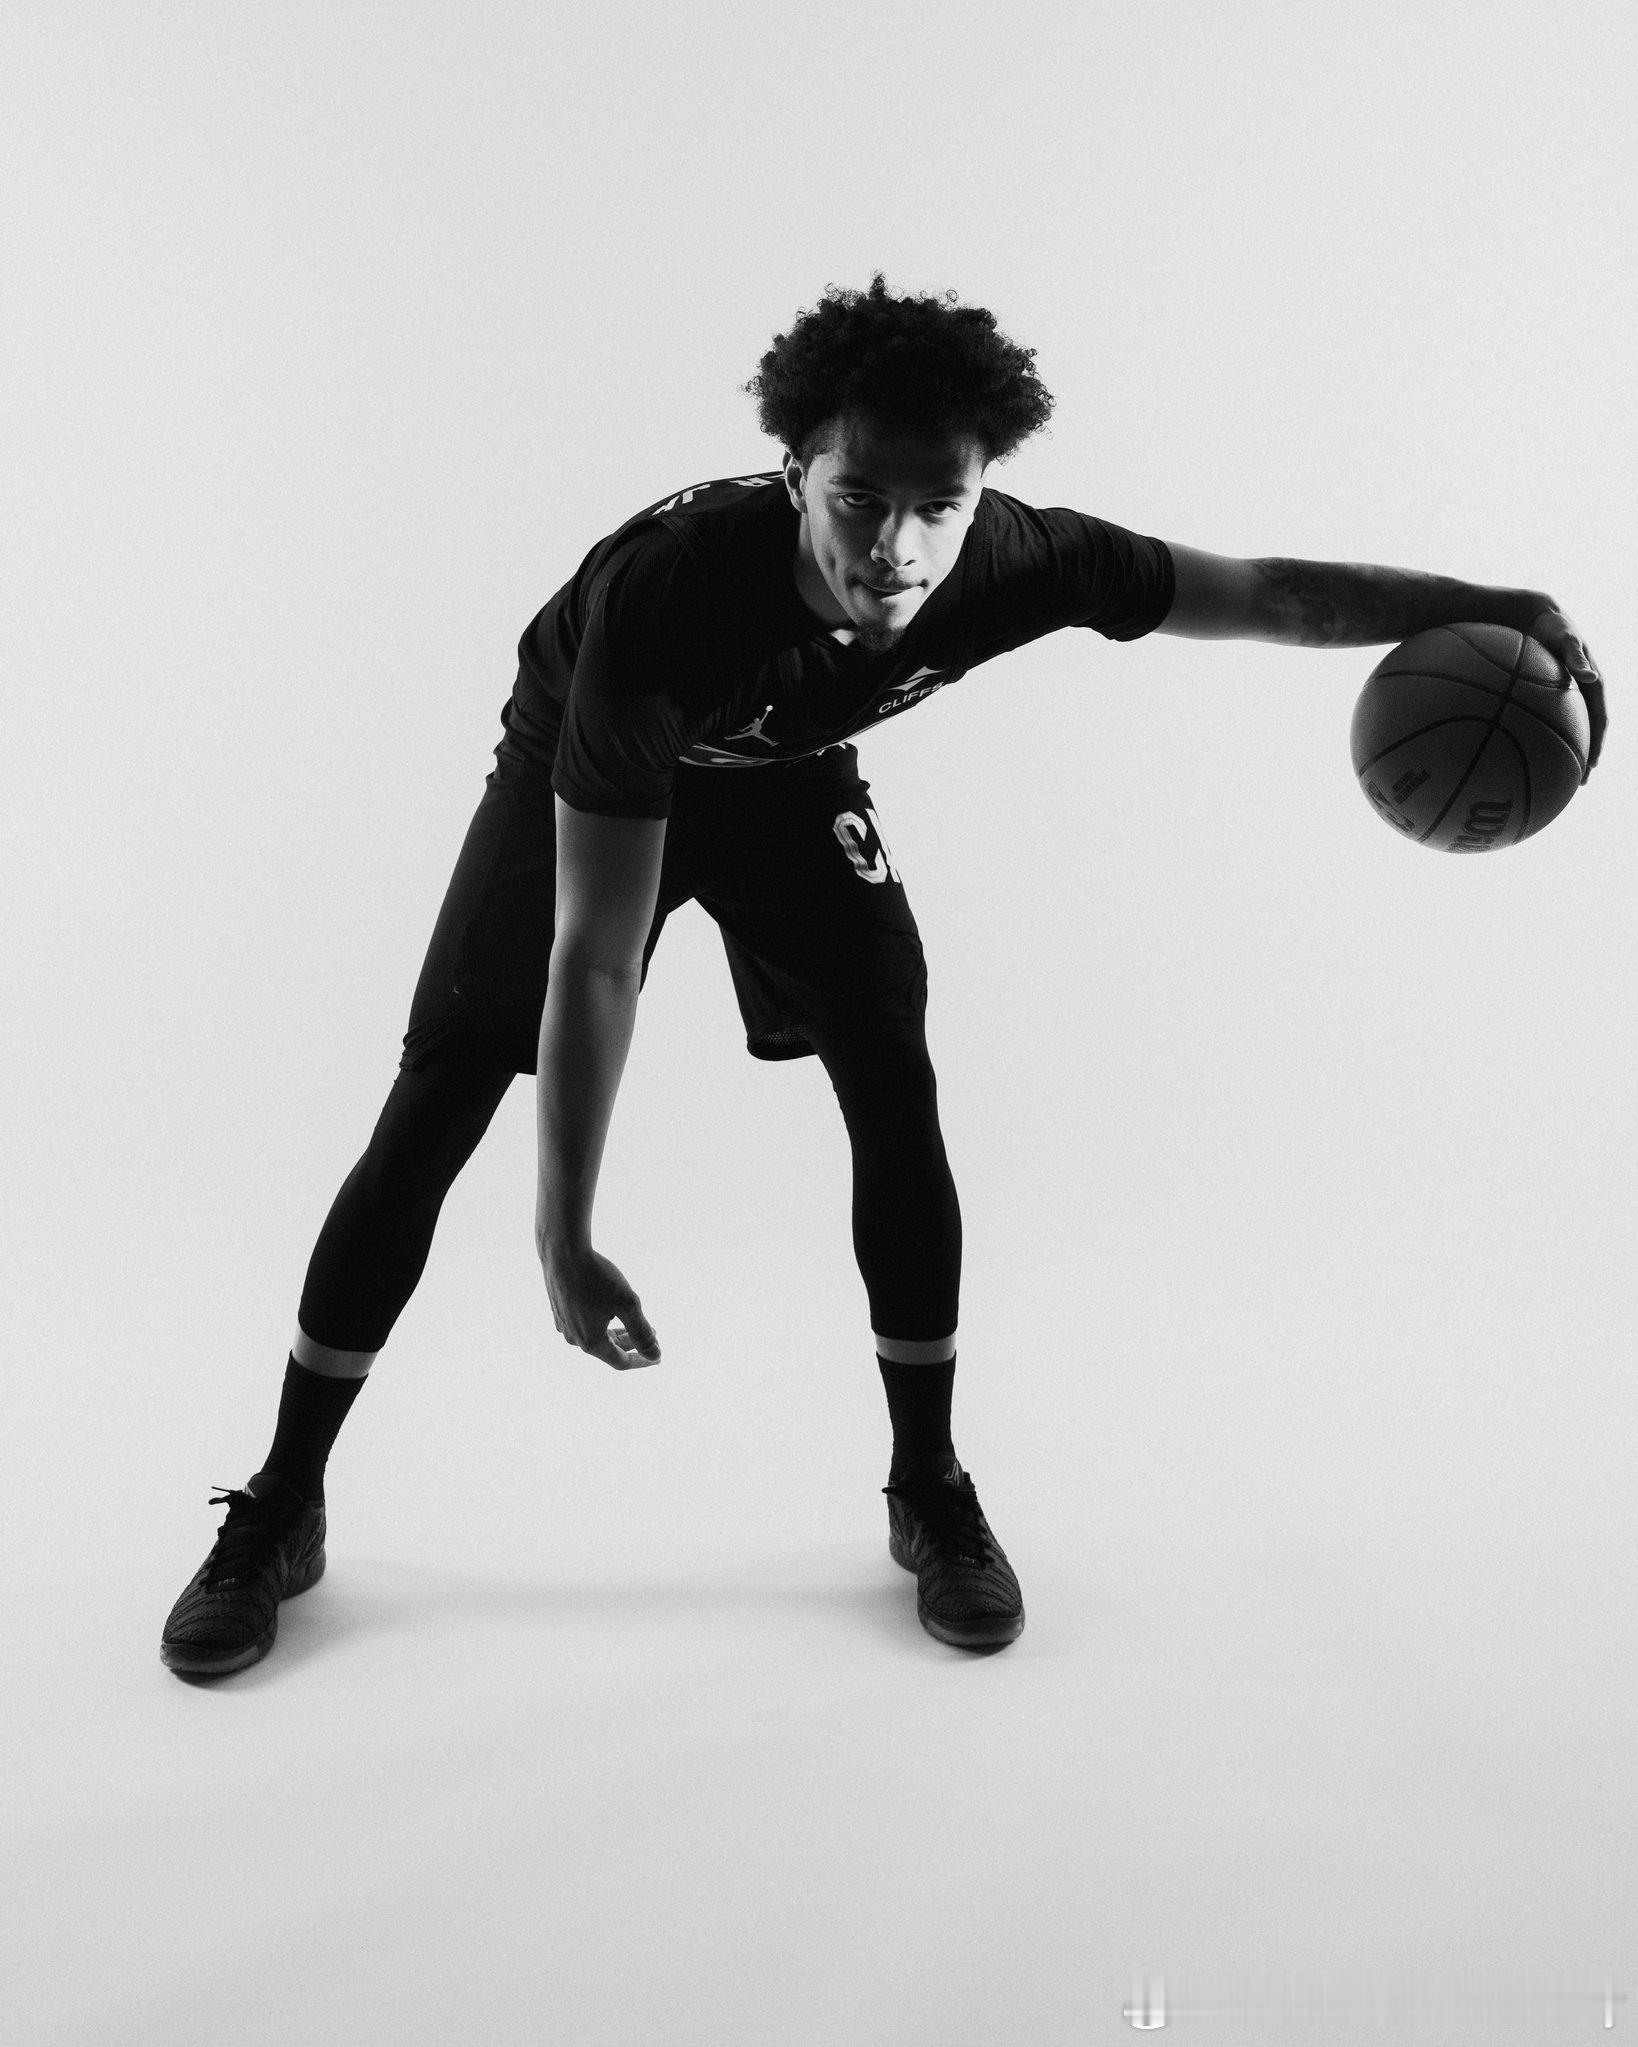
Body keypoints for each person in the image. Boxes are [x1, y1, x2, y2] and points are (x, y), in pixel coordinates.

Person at [161, 275, 1607, 1677]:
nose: (898, 545)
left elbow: (1263, 594)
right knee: (441, 1095)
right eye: (859, 499)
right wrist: (563, 1233)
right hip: (589, 768)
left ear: (981, 491)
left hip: (786, 777)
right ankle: (282, 1504)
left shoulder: (1020, 559)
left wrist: (1502, 601)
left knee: (894, 1085)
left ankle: (930, 1489)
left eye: (939, 503)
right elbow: (595, 958)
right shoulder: (671, 605)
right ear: (795, 472)